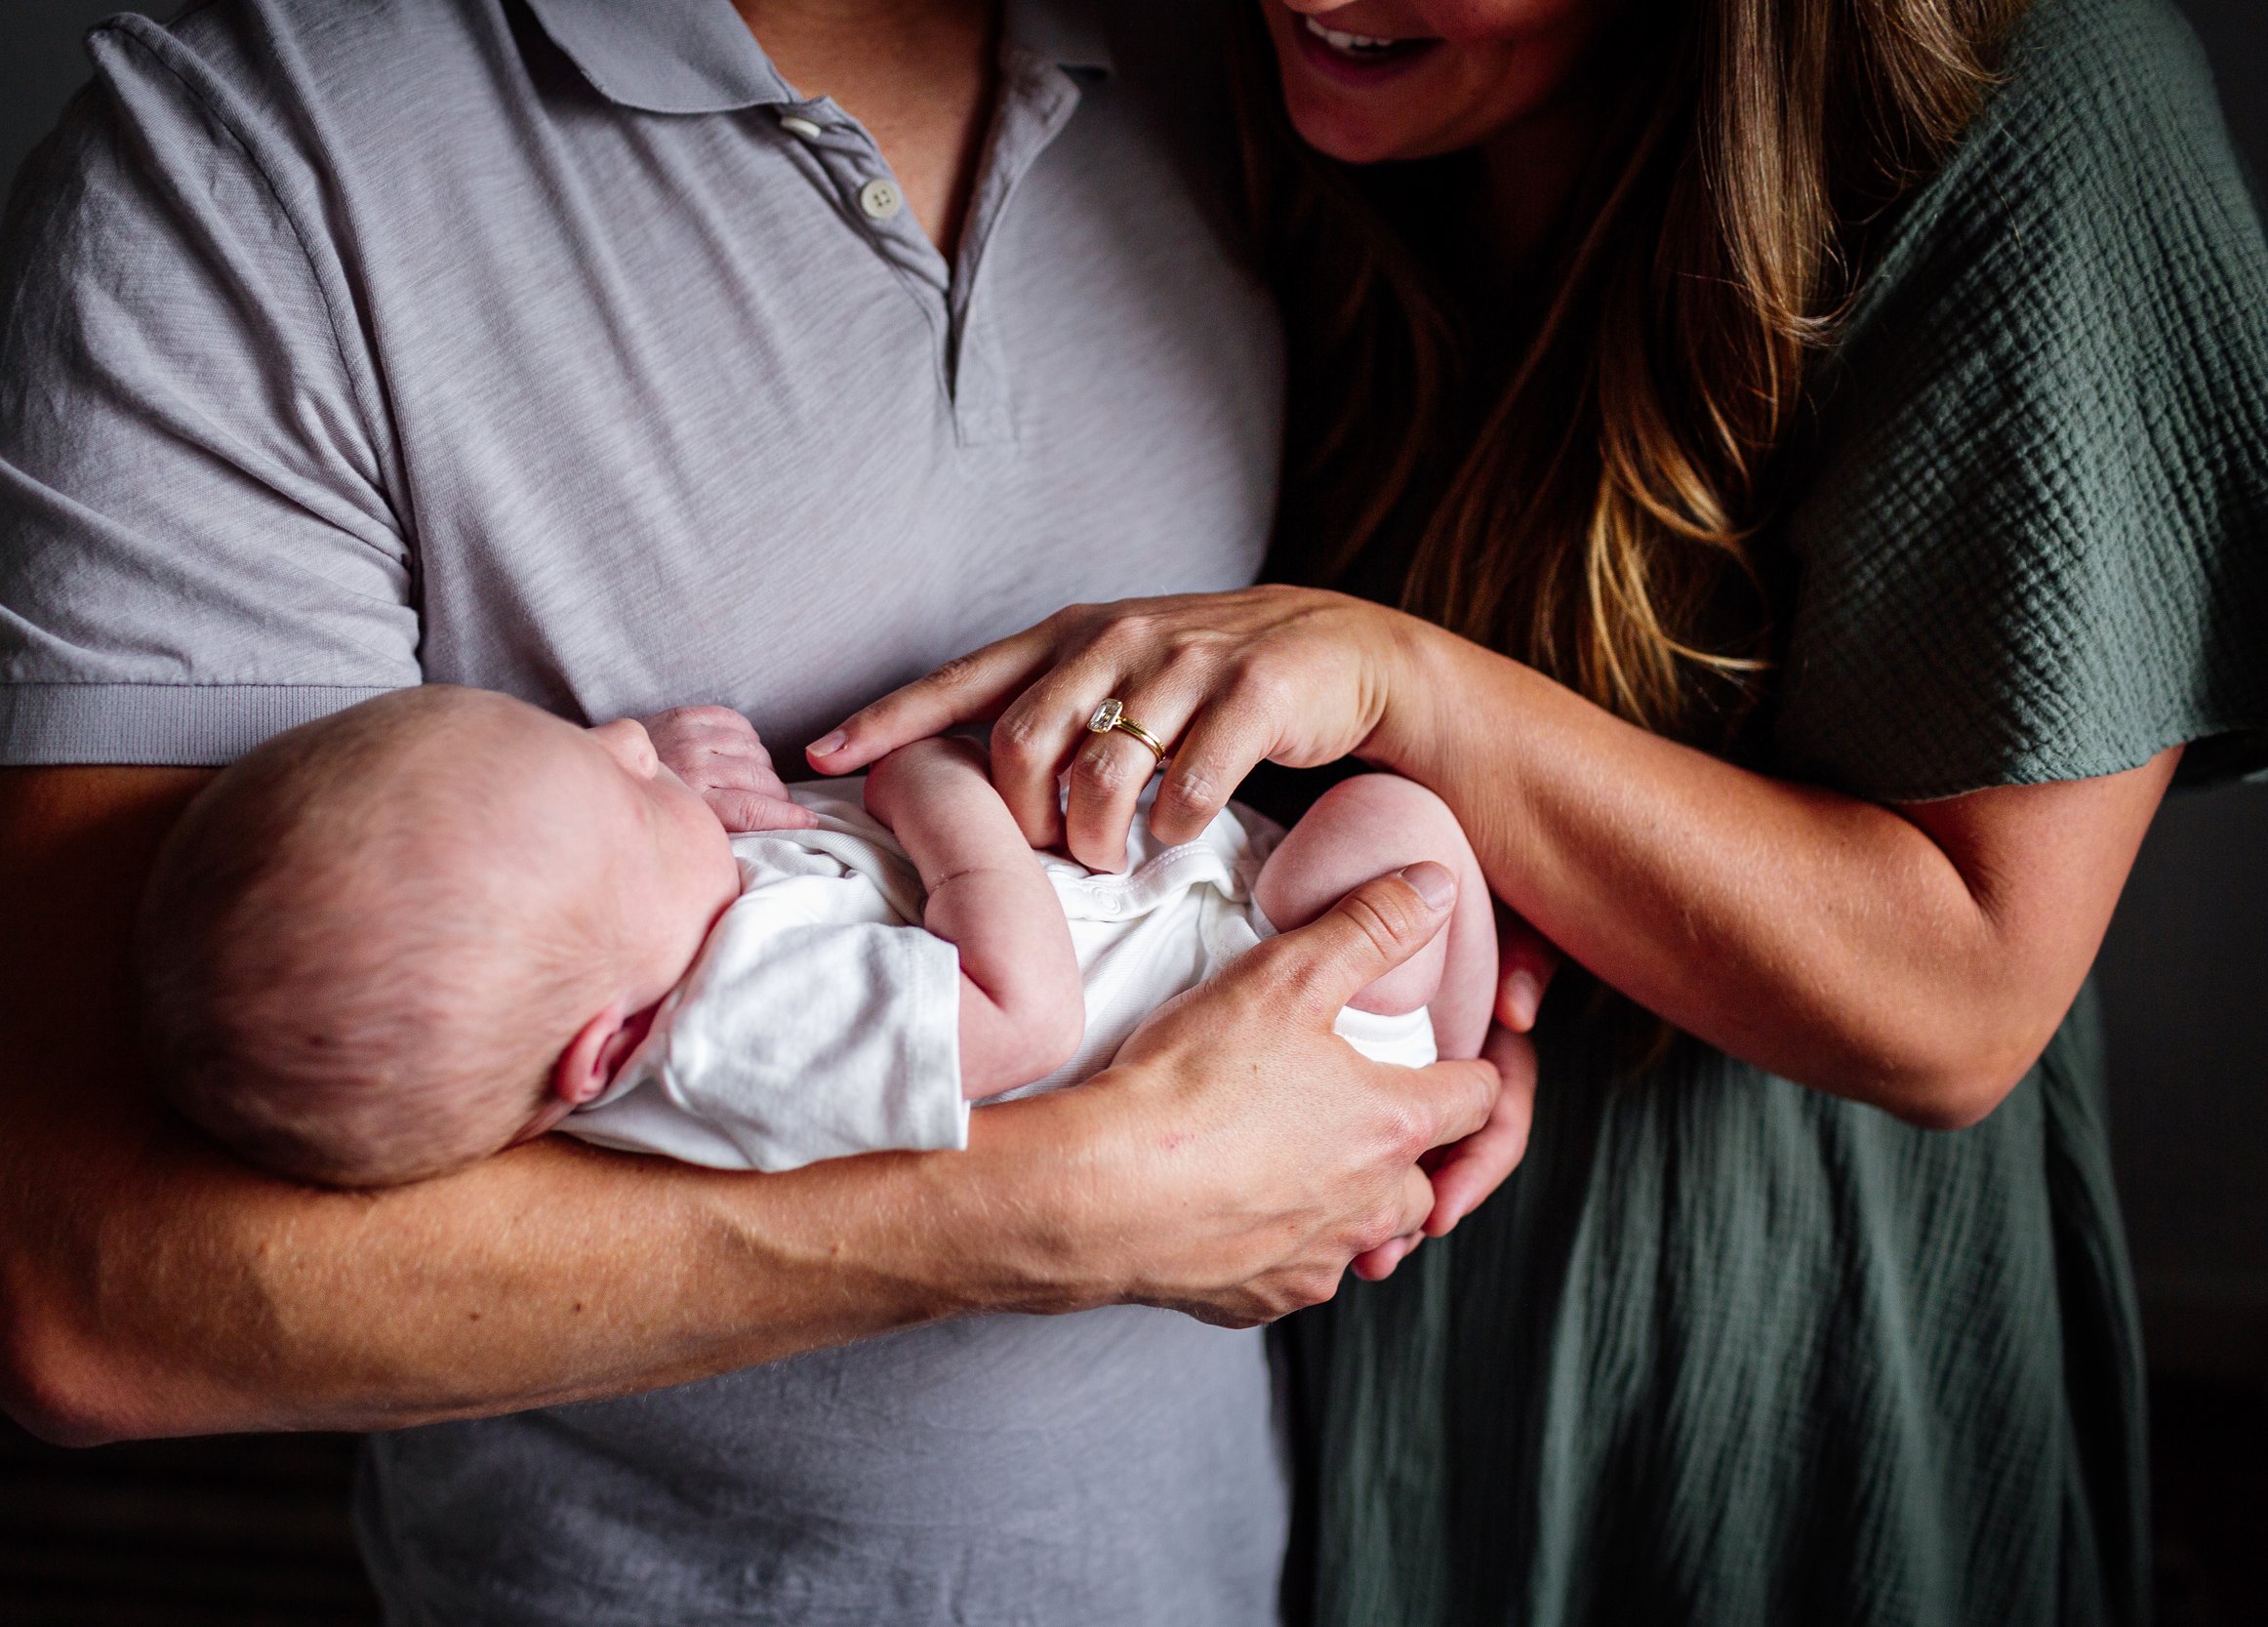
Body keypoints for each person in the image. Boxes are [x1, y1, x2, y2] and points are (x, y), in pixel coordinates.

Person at [0, 1, 1546, 1619]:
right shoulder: (247, 169)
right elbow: (94, 1284)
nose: (637, 751)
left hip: (1198, 1550)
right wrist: (1083, 1202)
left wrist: (1402, 1036)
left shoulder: (1282, 61)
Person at [813, 0, 2268, 1619]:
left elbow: (1962, 1000)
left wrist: (1409, 690)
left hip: (1766, 1341)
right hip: (1315, 1345)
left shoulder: (2031, 101)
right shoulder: (1221, 74)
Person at [135, 685, 1494, 1187]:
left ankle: (1482, 1029)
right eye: (620, 788)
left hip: (1219, 909)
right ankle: (1471, 1047)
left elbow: (761, 869)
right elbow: (1021, 1013)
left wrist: (690, 780)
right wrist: (940, 801)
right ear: (606, 1044)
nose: (621, 736)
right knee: (1390, 824)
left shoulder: (651, 957)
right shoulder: (738, 1030)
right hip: (1294, 1019)